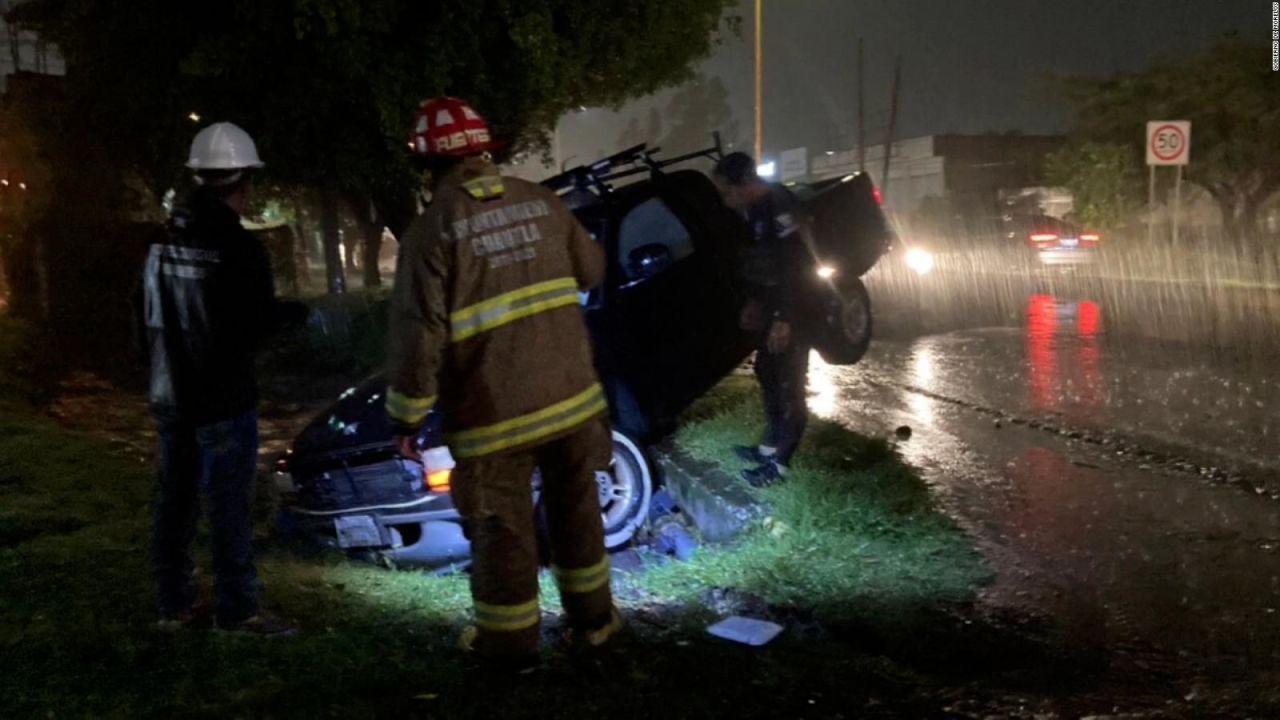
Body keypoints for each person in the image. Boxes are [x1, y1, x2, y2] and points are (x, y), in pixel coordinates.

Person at [386, 97, 622, 670]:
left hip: (496, 419)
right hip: (573, 403)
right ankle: (595, 627)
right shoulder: (543, 202)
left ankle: (512, 650)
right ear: (486, 151)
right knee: (577, 511)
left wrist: (407, 417)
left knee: (503, 529)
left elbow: (421, 335)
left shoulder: (431, 230)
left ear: (427, 167)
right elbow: (593, 271)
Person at [142, 122, 298, 637]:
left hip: (171, 398)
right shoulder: (240, 251)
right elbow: (252, 326)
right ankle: (238, 611)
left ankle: (173, 604)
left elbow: (146, 320)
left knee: (175, 504)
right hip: (223, 401)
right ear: (243, 182)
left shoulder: (160, 242)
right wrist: (294, 317)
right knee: (229, 509)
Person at [713, 152, 812, 488]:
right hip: (773, 305)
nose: (725, 201)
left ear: (744, 184)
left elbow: (798, 266)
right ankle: (769, 446)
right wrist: (755, 302)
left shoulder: (780, 204)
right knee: (767, 371)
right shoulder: (756, 209)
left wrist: (786, 318)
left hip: (796, 308)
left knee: (790, 383)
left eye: (727, 192)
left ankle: (781, 465)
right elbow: (763, 262)